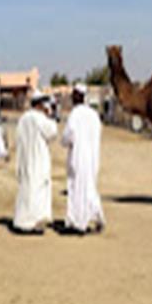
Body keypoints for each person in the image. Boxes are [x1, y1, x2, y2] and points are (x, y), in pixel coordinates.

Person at [61, 83, 105, 234]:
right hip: (92, 158)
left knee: (77, 190)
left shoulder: (75, 114)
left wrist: (64, 142)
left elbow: (68, 136)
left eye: (74, 95)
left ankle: (78, 223)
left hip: (78, 158)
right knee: (90, 188)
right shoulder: (94, 115)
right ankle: (97, 217)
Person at [13, 91, 58, 234]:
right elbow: (52, 132)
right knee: (36, 193)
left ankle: (22, 221)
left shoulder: (23, 118)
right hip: (37, 162)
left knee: (26, 192)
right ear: (39, 104)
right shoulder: (39, 118)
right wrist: (51, 116)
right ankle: (31, 224)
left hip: (25, 160)